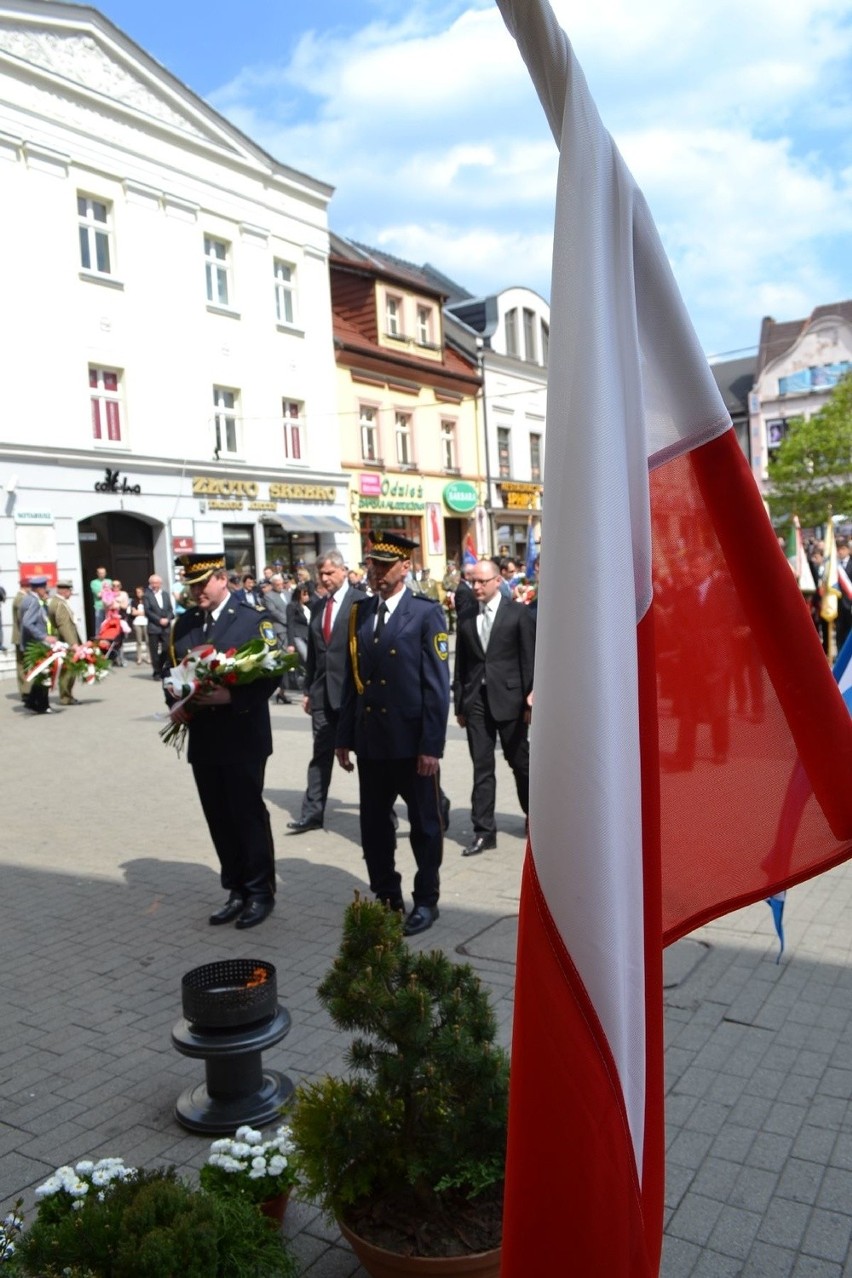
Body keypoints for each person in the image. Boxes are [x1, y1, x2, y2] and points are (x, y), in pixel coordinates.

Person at [335, 531, 450, 937]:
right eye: (372, 564)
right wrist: (344, 736)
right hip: (372, 741)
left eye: (385, 566)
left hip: (411, 742)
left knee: (425, 825)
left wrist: (431, 746)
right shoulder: (359, 612)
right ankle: (386, 897)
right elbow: (352, 680)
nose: (376, 572)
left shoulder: (425, 613)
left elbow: (437, 686)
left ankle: (426, 900)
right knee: (374, 828)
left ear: (405, 567)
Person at [166, 553, 280, 929]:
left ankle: (260, 891)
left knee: (246, 814)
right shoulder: (186, 623)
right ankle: (235, 889)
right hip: (204, 738)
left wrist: (231, 698)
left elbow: (270, 675)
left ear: (221, 579)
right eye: (191, 586)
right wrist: (176, 704)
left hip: (243, 736)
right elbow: (173, 673)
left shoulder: (251, 618)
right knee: (218, 816)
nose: (196, 592)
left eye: (201, 584)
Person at [453, 559, 535, 856]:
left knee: (520, 763)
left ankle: (535, 817)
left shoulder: (518, 614)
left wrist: (531, 695)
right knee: (482, 767)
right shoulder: (465, 616)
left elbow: (530, 657)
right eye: (472, 581)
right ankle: (484, 831)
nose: (475, 587)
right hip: (477, 702)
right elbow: (461, 664)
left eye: (481, 582)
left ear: (498, 581)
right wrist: (460, 703)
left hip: (512, 702)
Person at [288, 551, 359, 834]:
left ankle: (386, 814)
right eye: (321, 574)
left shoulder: (360, 603)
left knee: (371, 758)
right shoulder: (317, 607)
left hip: (352, 695)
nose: (325, 578)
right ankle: (313, 813)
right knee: (321, 754)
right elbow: (317, 655)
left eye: (330, 573)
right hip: (322, 696)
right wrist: (307, 690)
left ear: (344, 572)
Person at [18, 575, 53, 714]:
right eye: (45, 588)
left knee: (41, 674)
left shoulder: (30, 599)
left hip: (35, 643)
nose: (46, 590)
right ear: (39, 588)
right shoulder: (32, 601)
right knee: (42, 673)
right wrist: (44, 636)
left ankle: (36, 703)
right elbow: (27, 623)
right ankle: (39, 704)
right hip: (35, 644)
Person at [49, 580, 83, 704]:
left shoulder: (57, 602)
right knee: (68, 670)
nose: (71, 594)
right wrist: (73, 644)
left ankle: (67, 695)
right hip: (66, 642)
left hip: (64, 641)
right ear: (65, 591)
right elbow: (64, 626)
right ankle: (66, 697)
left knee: (67, 669)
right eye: (70, 591)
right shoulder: (60, 604)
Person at [143, 573, 174, 677]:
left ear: (161, 583)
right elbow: (147, 611)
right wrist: (159, 620)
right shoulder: (147, 595)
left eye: (157, 583)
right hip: (154, 627)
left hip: (166, 627)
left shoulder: (165, 594)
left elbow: (170, 609)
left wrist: (168, 619)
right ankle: (156, 671)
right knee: (154, 651)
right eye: (153, 583)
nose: (155, 585)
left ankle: (160, 666)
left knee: (166, 649)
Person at [129, 585, 149, 663]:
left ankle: (149, 657)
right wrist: (142, 613)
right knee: (139, 641)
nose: (138, 594)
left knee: (148, 641)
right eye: (137, 592)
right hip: (137, 622)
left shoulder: (147, 600)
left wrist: (139, 612)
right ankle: (139, 657)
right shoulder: (134, 601)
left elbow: (148, 612)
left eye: (139, 592)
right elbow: (133, 612)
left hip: (146, 622)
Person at [89, 566, 111, 634]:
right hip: (99, 607)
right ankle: (98, 642)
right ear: (97, 574)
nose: (102, 574)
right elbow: (98, 595)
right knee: (99, 625)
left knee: (109, 624)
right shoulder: (94, 582)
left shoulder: (109, 581)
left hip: (109, 607)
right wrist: (106, 590)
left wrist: (105, 592)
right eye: (100, 573)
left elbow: (112, 593)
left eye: (103, 573)